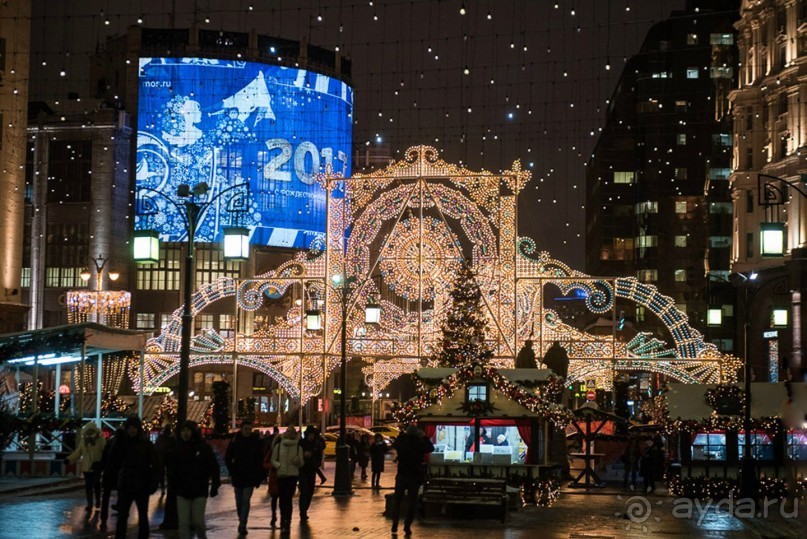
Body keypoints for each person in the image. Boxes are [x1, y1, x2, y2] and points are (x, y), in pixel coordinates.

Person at [168, 421, 220, 539]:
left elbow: (213, 466)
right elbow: (173, 470)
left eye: (188, 430)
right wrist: (173, 486)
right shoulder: (177, 449)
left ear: (193, 432)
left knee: (198, 522)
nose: (185, 433)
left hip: (199, 490)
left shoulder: (203, 448)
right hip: (182, 491)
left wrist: (215, 485)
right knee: (183, 523)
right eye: (183, 430)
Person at [112, 416, 161, 539]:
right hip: (126, 485)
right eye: (130, 428)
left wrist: (153, 484)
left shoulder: (146, 445)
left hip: (141, 485)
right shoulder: (123, 444)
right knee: (123, 517)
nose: (132, 430)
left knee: (142, 517)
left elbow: (157, 465)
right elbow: (113, 461)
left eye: (134, 427)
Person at [390, 425, 434, 536]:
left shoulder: (402, 441)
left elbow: (394, 445)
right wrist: (424, 437)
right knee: (412, 502)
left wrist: (401, 436)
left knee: (397, 501)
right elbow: (430, 448)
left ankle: (395, 523)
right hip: (414, 476)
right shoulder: (419, 442)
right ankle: (407, 526)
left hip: (401, 475)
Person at [225, 419, 266, 536]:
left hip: (250, 476)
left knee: (245, 500)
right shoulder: (235, 440)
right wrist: (232, 470)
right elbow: (228, 457)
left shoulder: (255, 442)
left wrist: (258, 476)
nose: (248, 431)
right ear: (241, 429)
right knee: (239, 501)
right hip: (238, 475)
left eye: (249, 429)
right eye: (246, 429)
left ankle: (243, 523)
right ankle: (241, 519)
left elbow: (259, 459)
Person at [67, 422, 106, 512]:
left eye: (91, 431)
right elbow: (78, 452)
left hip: (96, 466)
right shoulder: (84, 441)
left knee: (96, 484)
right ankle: (90, 504)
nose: (89, 433)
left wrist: (103, 463)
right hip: (86, 467)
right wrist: (69, 459)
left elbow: (105, 452)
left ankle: (98, 501)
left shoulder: (101, 440)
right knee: (88, 485)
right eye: (88, 431)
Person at [271, 426, 304, 531]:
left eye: (292, 432)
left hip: (292, 476)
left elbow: (302, 463)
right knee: (282, 499)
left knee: (288, 499)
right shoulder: (279, 446)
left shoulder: (298, 447)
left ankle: (287, 521)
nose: (290, 433)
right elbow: (273, 460)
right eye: (288, 431)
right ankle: (283, 518)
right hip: (282, 475)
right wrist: (279, 466)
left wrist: (298, 461)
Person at [155, 425, 179, 530]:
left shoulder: (162, 438)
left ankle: (162, 487)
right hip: (167, 463)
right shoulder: (171, 439)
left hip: (164, 461)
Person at [99, 427, 123, 529]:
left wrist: (101, 470)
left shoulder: (109, 444)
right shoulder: (124, 445)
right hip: (119, 474)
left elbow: (103, 460)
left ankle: (103, 517)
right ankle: (121, 510)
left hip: (109, 474)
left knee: (106, 496)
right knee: (121, 493)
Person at [297, 426, 323, 521]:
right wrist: (303, 455)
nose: (311, 436)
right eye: (310, 434)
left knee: (310, 492)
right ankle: (302, 512)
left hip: (312, 470)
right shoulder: (301, 443)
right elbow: (297, 454)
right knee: (304, 492)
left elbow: (320, 454)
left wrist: (317, 463)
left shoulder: (316, 444)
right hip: (303, 470)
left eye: (312, 435)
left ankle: (305, 509)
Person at [262, 433, 282, 527]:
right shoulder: (272, 451)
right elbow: (265, 463)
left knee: (280, 499)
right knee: (275, 498)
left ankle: (281, 516)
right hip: (275, 477)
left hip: (281, 477)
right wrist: (272, 466)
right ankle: (274, 515)